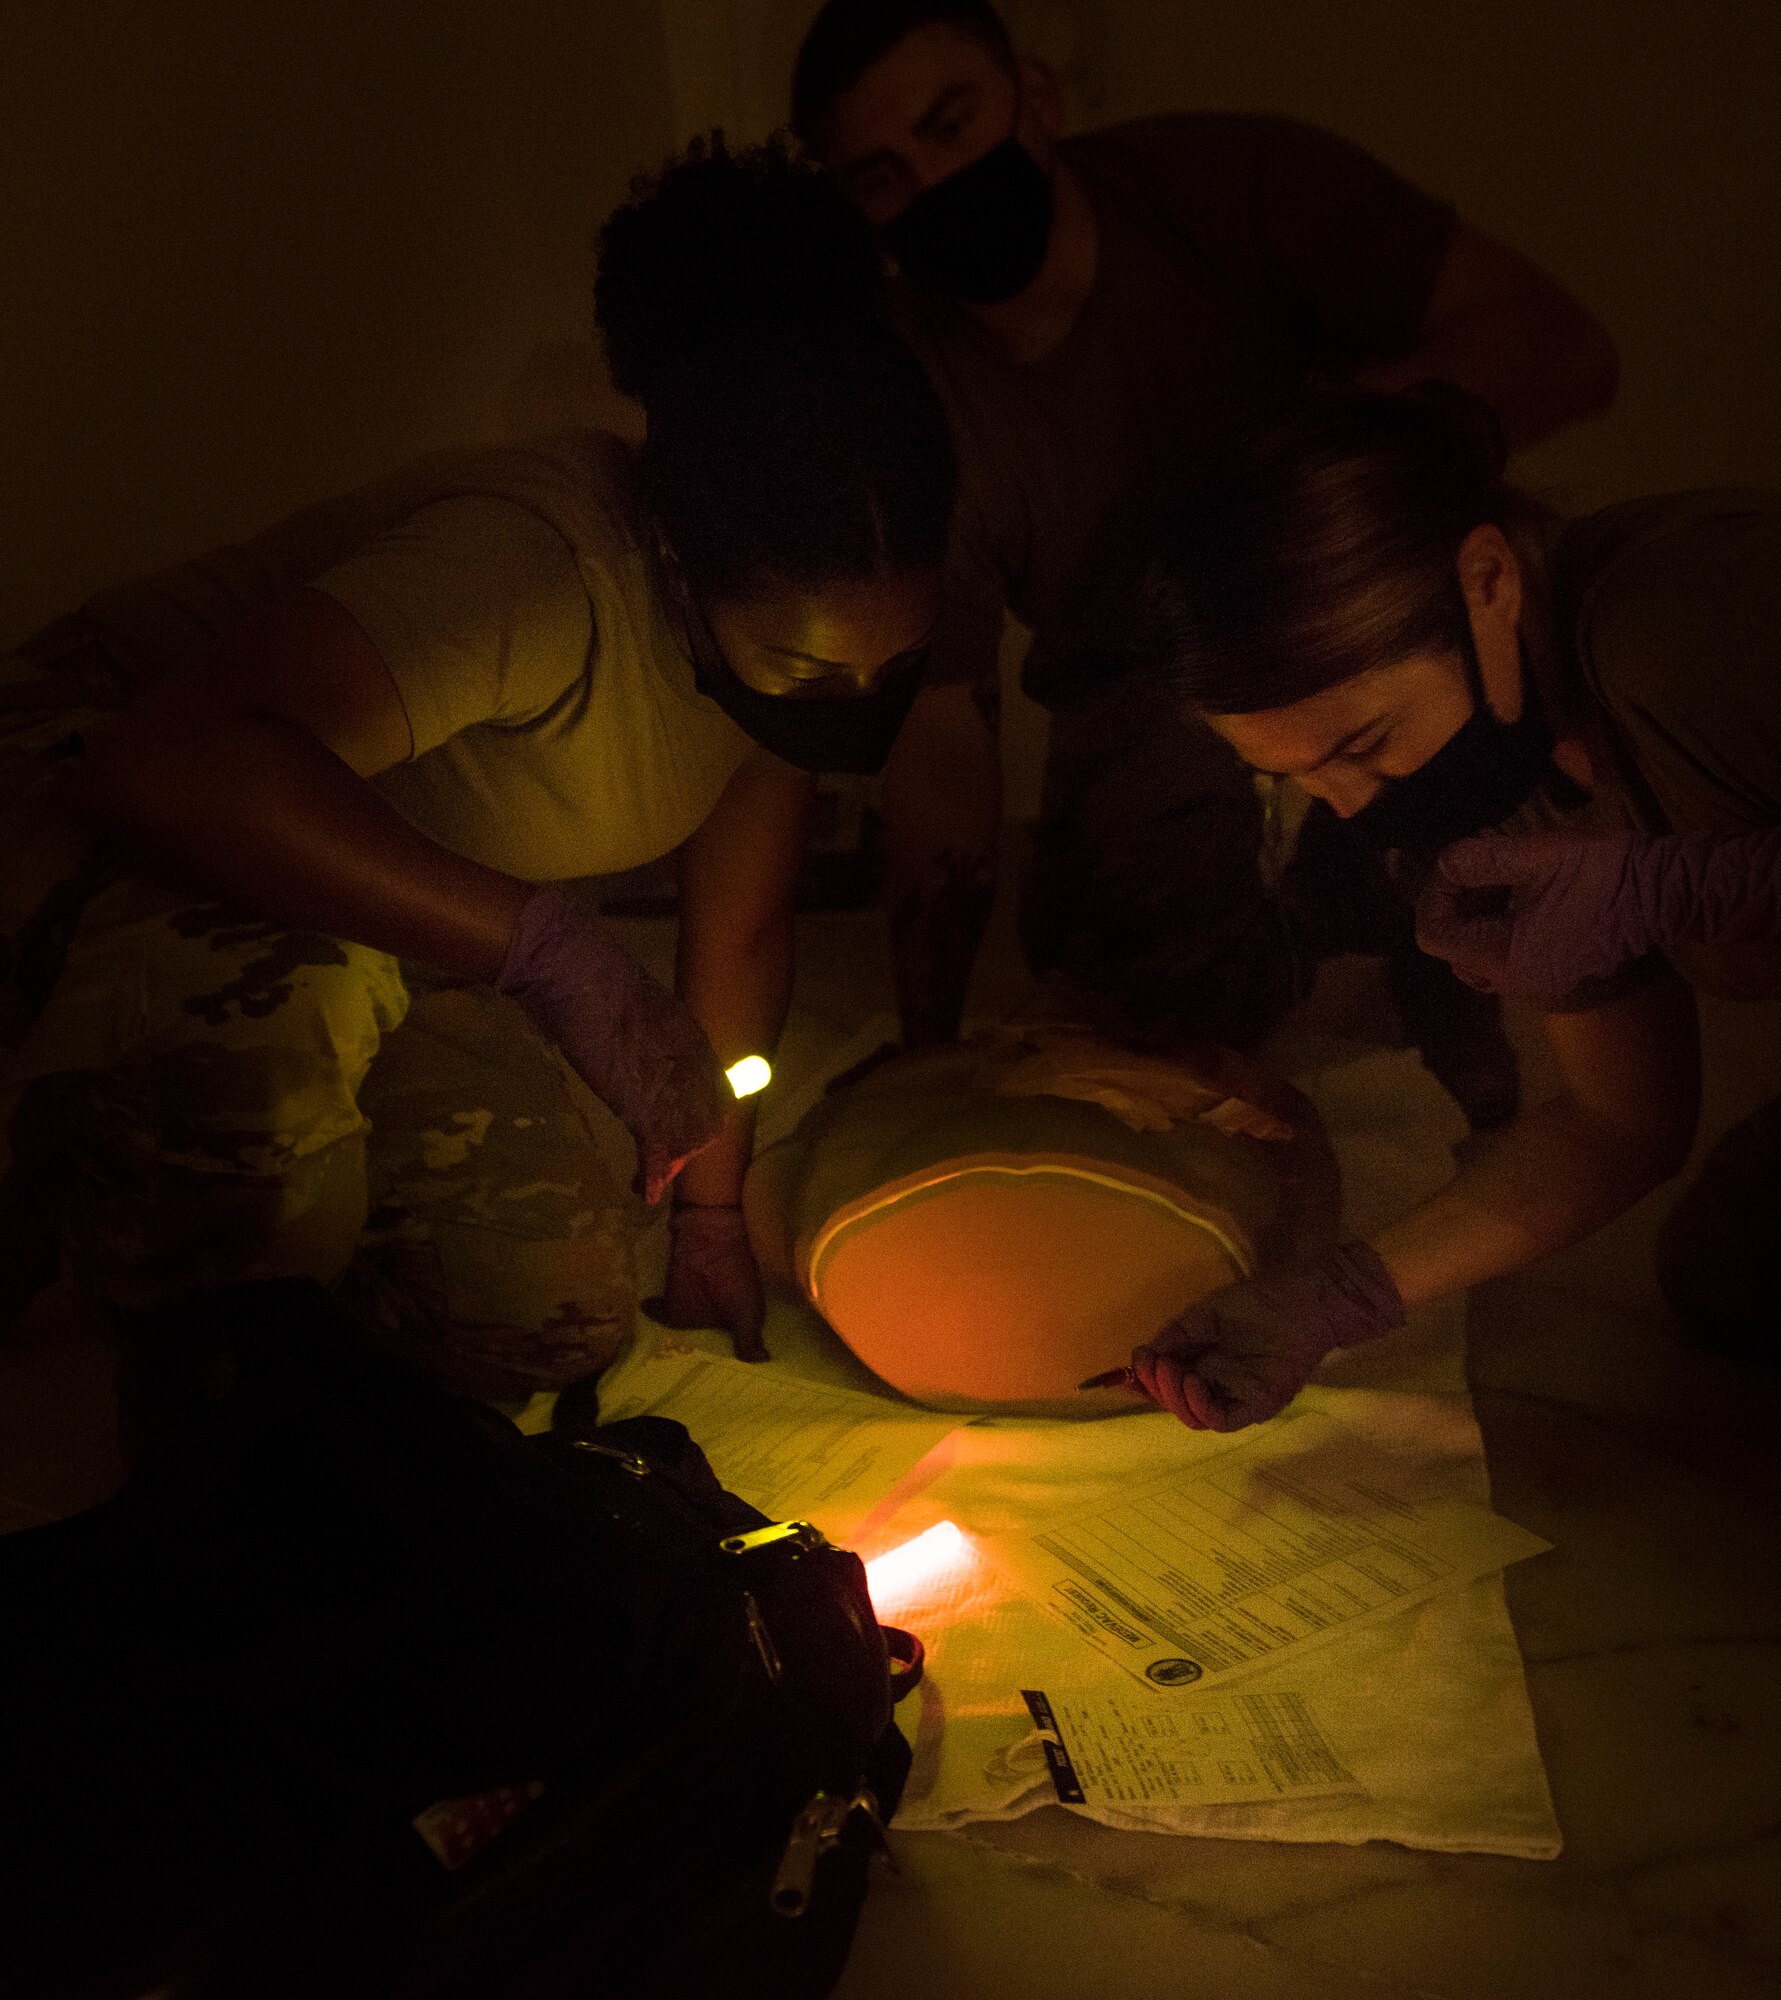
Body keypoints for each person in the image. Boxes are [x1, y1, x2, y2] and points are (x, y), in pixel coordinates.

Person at [0, 137, 955, 1393]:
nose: (853, 708)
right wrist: (549, 950)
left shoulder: (773, 652)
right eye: (811, 670)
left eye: (887, 671)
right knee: (263, 1135)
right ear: (682, 569)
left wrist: (711, 1213)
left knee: (544, 1309)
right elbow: (174, 760)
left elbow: (741, 929)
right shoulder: (538, 564)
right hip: (120, 777)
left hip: (383, 885)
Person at [789, 0, 1619, 1103]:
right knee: (1129, 1008)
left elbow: (1560, 347)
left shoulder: (1230, 186)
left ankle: (1448, 979)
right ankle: (1306, 922)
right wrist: (927, 1034)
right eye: (882, 175)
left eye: (950, 125)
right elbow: (937, 736)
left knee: (1467, 851)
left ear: (1035, 96)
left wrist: (1347, 466)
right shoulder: (902, 399)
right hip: (1134, 689)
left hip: (1347, 616)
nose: (934, 184)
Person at [1126, 384, 1780, 1430]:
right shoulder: (1508, 756)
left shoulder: (1690, 625)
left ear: (1485, 581)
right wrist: (1337, 1296)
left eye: (1361, 744)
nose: (1355, 809)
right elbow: (1620, 1119)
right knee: (1727, 1270)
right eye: (1297, 779)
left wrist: (1706, 880)